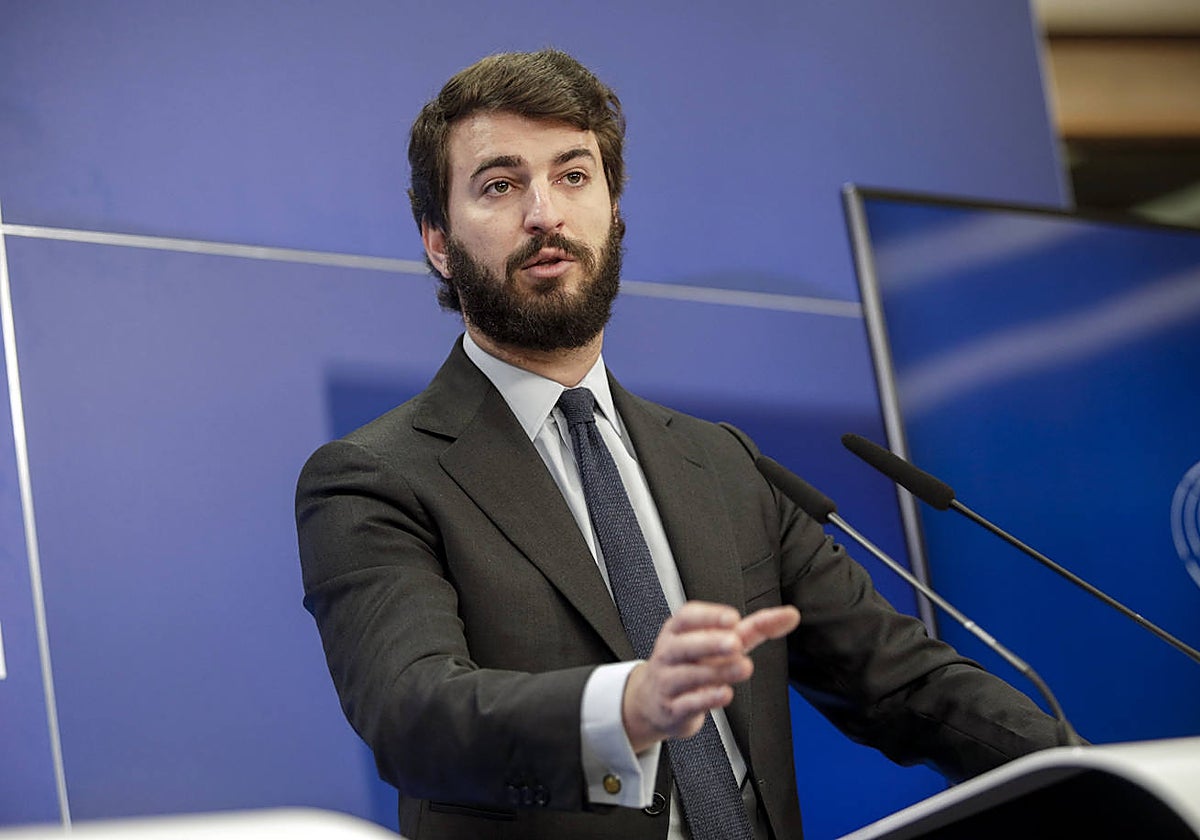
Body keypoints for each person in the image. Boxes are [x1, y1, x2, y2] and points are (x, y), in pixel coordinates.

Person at [295, 49, 1061, 840]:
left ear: (614, 210)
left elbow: (903, 682)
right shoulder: (376, 477)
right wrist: (627, 705)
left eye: (574, 176)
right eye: (500, 184)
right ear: (438, 242)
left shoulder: (723, 465)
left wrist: (1093, 772)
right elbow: (416, 714)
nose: (545, 214)